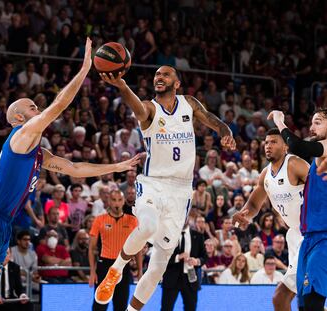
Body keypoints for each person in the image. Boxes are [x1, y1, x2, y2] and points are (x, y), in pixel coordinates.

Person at [0, 38, 140, 311]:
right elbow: (57, 106)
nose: (38, 110)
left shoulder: (38, 152)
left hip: (2, 225)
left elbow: (75, 168)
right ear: (19, 119)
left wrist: (116, 167)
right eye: (32, 107)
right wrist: (83, 71)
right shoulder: (21, 136)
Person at [96, 65, 236, 310]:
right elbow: (136, 107)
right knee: (147, 225)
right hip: (152, 183)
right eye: (156, 75)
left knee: (160, 263)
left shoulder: (189, 104)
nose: (159, 78)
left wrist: (226, 132)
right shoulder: (150, 108)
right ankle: (116, 270)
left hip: (181, 190)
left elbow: (213, 121)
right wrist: (122, 86)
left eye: (165, 75)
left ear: (177, 83)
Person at [233, 128, 309, 311]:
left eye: (274, 142)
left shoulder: (295, 164)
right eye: (266, 142)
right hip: (296, 235)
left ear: (285, 147)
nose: (268, 146)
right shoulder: (266, 175)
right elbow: (252, 206)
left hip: (314, 234)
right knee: (286, 298)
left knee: (291, 298)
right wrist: (244, 216)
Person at [268, 109, 327, 311]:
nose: (312, 127)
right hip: (309, 237)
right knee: (304, 303)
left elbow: (297, 145)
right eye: (311, 123)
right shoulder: (318, 160)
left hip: (324, 237)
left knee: (312, 302)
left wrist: (279, 121)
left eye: (318, 122)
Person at [88, 190, 142, 311]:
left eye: (119, 200)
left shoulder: (132, 221)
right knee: (99, 305)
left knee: (121, 305)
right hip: (104, 266)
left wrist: (140, 270)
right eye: (113, 200)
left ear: (123, 201)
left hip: (124, 266)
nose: (116, 203)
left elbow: (138, 249)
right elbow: (91, 249)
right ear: (108, 201)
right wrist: (92, 272)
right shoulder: (99, 220)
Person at [161, 222, 207, 311]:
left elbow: (204, 257)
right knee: (166, 308)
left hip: (190, 278)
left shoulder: (198, 236)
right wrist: (178, 257)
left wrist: (197, 261)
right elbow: (162, 256)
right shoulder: (168, 235)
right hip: (171, 278)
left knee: (191, 308)